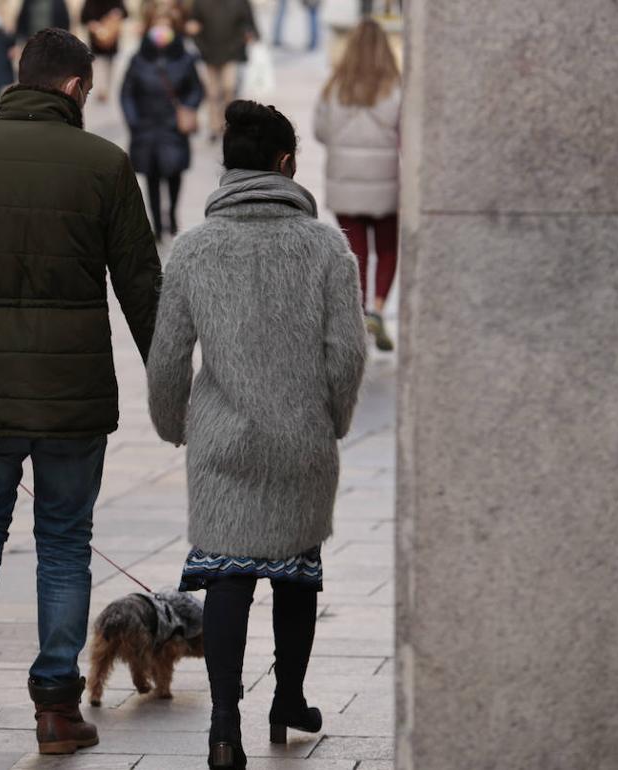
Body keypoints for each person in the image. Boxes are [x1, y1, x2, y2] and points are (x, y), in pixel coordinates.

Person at [0, 27, 161, 758]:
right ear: (77, 88)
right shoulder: (104, 164)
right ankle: (56, 707)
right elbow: (140, 286)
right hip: (70, 395)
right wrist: (168, 380)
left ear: (19, 79)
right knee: (63, 543)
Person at [146, 100, 366, 769]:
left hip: (221, 443)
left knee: (229, 579)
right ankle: (289, 699)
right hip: (301, 440)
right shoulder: (326, 247)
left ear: (228, 166)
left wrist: (172, 423)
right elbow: (349, 354)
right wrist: (333, 419)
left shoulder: (193, 248)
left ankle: (222, 728)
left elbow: (168, 356)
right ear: (287, 163)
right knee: (297, 573)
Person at [314, 18, 401, 351]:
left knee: (357, 252)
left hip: (345, 185)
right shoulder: (396, 88)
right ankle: (378, 308)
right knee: (388, 248)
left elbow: (321, 131)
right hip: (385, 182)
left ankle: (361, 310)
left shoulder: (335, 88)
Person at [121, 7, 205, 241]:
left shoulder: (185, 59)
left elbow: (196, 89)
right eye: (158, 25)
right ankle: (157, 224)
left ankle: (173, 214)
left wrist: (188, 107)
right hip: (146, 127)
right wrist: (133, 121)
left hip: (173, 127)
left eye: (167, 25)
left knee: (175, 173)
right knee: (152, 177)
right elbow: (127, 93)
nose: (162, 31)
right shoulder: (138, 59)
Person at [186, 0, 258, 142]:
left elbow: (247, 18)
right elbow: (193, 21)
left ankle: (230, 123)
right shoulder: (200, 3)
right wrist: (194, 32)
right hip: (209, 51)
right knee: (212, 92)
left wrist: (250, 33)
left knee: (229, 87)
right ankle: (214, 126)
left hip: (231, 50)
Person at [80, 0, 127, 102]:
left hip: (112, 40)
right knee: (99, 64)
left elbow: (125, 12)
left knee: (110, 64)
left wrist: (117, 14)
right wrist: (93, 25)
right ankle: (101, 89)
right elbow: (83, 18)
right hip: (95, 40)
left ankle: (106, 89)